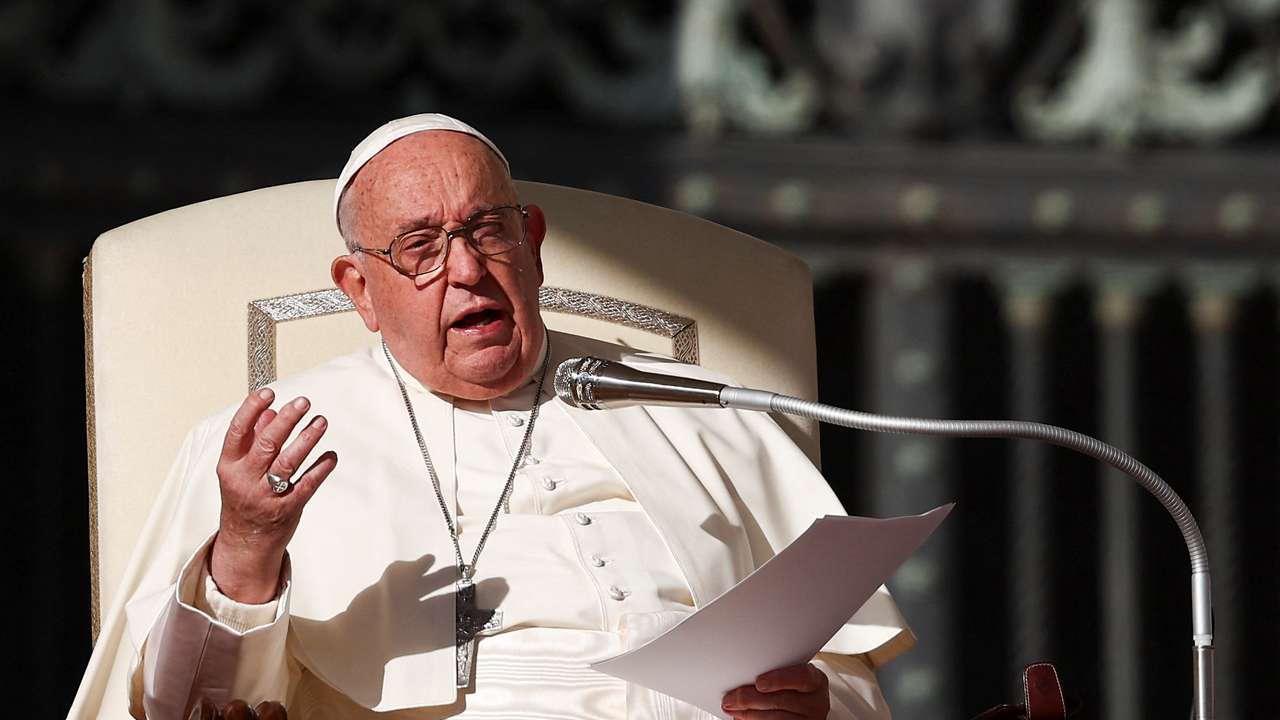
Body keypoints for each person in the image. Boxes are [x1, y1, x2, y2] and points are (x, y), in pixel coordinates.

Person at [71, 114, 914, 719]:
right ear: (359, 290)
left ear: (534, 243)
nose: (468, 269)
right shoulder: (268, 449)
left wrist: (816, 707)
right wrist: (249, 549)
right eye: (421, 248)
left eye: (488, 230)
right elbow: (182, 710)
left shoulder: (693, 409)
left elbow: (850, 686)